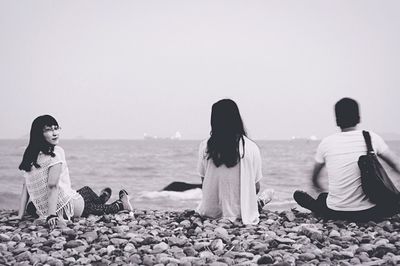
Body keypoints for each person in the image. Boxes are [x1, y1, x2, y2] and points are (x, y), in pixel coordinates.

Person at [9, 115, 133, 228]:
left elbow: (26, 187)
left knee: (33, 206)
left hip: (43, 208)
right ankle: (120, 204)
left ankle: (101, 198)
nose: (54, 133)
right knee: (89, 197)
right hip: (67, 208)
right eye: (48, 130)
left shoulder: (30, 155)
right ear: (38, 134)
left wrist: (20, 215)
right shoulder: (56, 153)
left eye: (56, 128)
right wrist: (52, 216)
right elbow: (52, 186)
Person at [294, 98, 400, 221]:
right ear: (359, 118)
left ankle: (316, 206)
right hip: (371, 212)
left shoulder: (326, 143)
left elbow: (314, 178)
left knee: (324, 198)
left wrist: (321, 189)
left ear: (337, 121)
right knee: (394, 202)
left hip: (336, 212)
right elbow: (396, 165)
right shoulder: (371, 138)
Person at [196, 99, 266, 225]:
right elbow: (256, 187)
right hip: (242, 213)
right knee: (265, 196)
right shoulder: (251, 147)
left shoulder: (205, 146)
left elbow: (204, 182)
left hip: (210, 212)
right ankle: (262, 201)